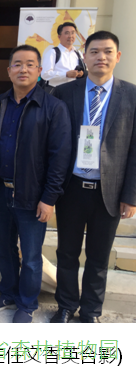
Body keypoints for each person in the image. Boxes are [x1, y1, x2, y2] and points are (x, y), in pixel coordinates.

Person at [50, 31, 136, 323]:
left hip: (108, 191)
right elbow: (54, 144)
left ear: (118, 56)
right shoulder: (65, 93)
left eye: (108, 51)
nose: (101, 57)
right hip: (72, 188)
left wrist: (130, 195)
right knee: (67, 253)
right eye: (95, 51)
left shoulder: (132, 95)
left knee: (99, 257)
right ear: (84, 56)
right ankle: (65, 305)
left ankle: (90, 311)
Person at [0, 45, 71, 323]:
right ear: (9, 70)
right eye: (18, 64)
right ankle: (8, 292)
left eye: (30, 64)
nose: (23, 69)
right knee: (3, 248)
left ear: (39, 70)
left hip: (33, 196)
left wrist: (49, 198)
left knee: (31, 255)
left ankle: (27, 303)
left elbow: (60, 157)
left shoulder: (53, 107)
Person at [41, 22, 86, 87]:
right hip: (56, 90)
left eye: (73, 33)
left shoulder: (78, 53)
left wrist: (81, 73)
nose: (70, 36)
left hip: (75, 90)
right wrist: (66, 74)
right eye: (67, 33)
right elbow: (45, 74)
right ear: (59, 37)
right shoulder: (53, 53)